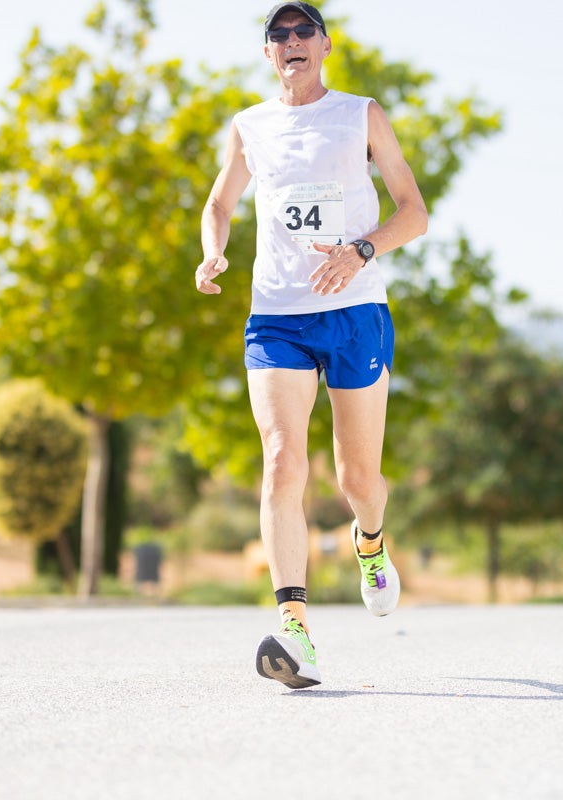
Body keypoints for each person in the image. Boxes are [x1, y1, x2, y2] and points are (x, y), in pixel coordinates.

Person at [195, 1, 428, 689]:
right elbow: (219, 204)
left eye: (303, 32)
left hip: (354, 310)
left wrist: (362, 249)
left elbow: (413, 212)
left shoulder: (361, 115)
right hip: (276, 317)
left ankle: (371, 540)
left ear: (325, 45)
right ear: (268, 53)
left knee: (357, 479)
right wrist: (213, 254)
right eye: (279, 35)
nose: (292, 42)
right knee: (280, 462)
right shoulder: (250, 127)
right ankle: (295, 627)